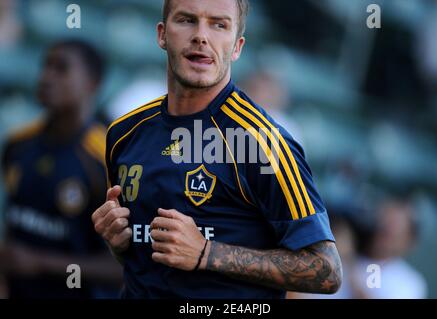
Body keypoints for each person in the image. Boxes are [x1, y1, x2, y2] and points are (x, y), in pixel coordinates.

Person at [92, 0, 342, 299]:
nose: (201, 36)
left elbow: (326, 270)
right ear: (161, 34)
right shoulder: (124, 133)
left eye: (219, 24)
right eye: (186, 20)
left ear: (237, 47)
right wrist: (119, 244)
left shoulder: (263, 143)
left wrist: (206, 253)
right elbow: (143, 263)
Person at [0, 39, 123, 298]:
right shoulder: (17, 144)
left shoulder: (107, 159)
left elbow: (122, 268)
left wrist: (39, 262)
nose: (46, 77)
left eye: (61, 69)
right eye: (45, 66)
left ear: (93, 84)